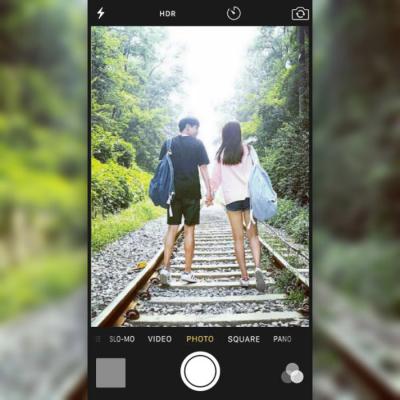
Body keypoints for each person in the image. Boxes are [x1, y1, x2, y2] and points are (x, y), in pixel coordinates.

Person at [211, 121, 266, 291]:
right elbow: (258, 170)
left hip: (232, 199)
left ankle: (244, 276)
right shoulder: (248, 149)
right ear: (239, 133)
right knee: (253, 236)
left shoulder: (221, 154)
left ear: (225, 135)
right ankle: (257, 267)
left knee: (238, 238)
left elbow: (216, 179)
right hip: (249, 197)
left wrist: (210, 195)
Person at [159, 117, 213, 285]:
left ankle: (165, 269)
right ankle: (187, 272)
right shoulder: (198, 144)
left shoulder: (168, 143)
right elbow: (203, 169)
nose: (197, 131)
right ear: (188, 127)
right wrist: (209, 191)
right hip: (192, 193)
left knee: (172, 229)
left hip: (173, 193)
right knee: (189, 231)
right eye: (196, 127)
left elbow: (162, 167)